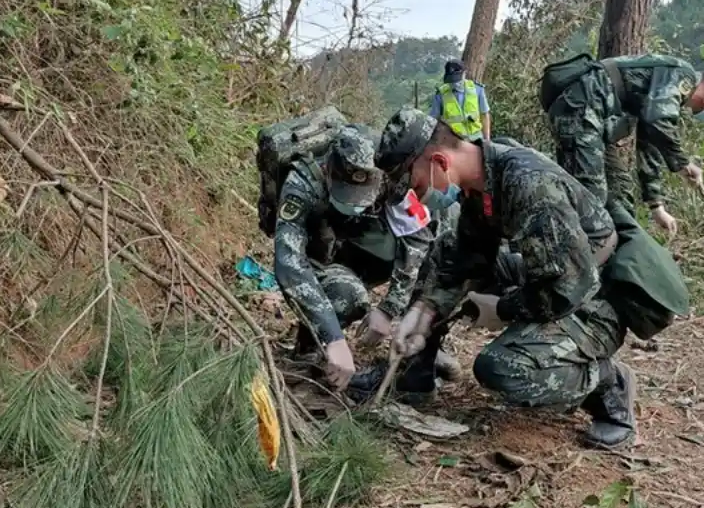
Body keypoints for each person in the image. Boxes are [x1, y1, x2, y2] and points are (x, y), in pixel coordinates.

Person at [366, 107, 646, 450]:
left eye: (415, 183)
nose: (415, 193)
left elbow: (568, 288)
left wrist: (502, 308)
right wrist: (423, 313)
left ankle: (608, 383)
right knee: (442, 254)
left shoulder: (529, 186)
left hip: (597, 296)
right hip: (548, 273)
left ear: (439, 161)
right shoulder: (481, 178)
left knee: (503, 368)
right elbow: (466, 258)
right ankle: (414, 375)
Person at [273, 124, 460, 391]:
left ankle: (418, 357)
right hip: (318, 257)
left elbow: (417, 238)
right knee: (347, 295)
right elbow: (289, 263)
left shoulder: (389, 176)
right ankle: (311, 345)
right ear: (329, 172)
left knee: (439, 248)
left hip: (357, 248)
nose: (355, 202)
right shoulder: (302, 183)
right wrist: (334, 338)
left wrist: (389, 309)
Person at [540, 54, 704, 235]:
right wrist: (683, 164)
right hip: (580, 110)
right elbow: (657, 121)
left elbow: (649, 142)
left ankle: (620, 261)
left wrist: (656, 206)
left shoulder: (670, 96)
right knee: (591, 200)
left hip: (591, 119)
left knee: (620, 191)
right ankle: (563, 260)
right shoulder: (682, 75)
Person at [429, 59, 491, 142]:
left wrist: (487, 139)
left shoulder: (477, 89)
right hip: (452, 142)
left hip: (476, 139)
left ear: (464, 73)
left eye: (457, 79)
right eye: (452, 80)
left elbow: (484, 115)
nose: (455, 83)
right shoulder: (441, 94)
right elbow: (433, 120)